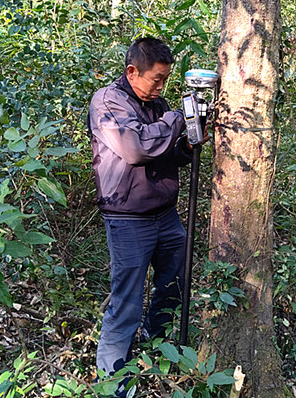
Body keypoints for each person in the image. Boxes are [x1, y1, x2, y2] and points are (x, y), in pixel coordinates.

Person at [87, 37, 193, 391]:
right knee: (127, 301)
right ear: (132, 72)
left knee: (175, 282)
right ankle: (114, 381)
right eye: (156, 79)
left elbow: (168, 153)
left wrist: (188, 144)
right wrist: (177, 121)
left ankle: (152, 345)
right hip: (128, 218)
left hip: (165, 215)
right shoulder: (108, 101)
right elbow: (135, 148)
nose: (161, 87)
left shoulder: (156, 103)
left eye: (165, 80)